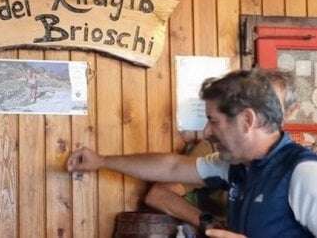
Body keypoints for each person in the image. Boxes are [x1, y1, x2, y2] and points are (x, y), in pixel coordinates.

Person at [67, 69, 317, 237]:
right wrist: (101, 161)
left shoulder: (303, 174)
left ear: (246, 121)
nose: (207, 131)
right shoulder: (237, 165)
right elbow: (172, 167)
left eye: (214, 120)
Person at [143, 69, 299, 231]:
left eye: (271, 103)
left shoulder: (295, 161)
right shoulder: (217, 146)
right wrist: (211, 225)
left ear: (291, 112)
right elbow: (159, 195)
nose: (265, 108)